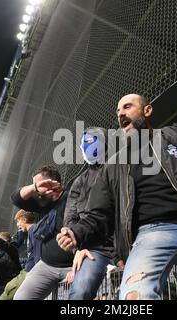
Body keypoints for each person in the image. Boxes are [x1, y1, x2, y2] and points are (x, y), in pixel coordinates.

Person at [57, 41, 177, 299]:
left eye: (127, 107)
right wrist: (76, 233)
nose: (120, 113)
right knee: (134, 298)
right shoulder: (114, 165)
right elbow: (99, 214)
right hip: (152, 235)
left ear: (147, 110)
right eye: (118, 110)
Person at [64, 127, 123, 300]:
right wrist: (79, 246)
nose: (87, 147)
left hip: (124, 242)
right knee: (80, 292)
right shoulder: (80, 181)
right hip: (94, 248)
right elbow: (70, 218)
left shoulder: (121, 168)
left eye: (92, 141)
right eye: (84, 144)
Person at [12, 166, 74, 300]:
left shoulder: (72, 198)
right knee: (21, 297)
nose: (36, 191)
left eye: (41, 185)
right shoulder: (43, 203)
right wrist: (35, 187)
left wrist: (77, 267)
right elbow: (16, 198)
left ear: (52, 183)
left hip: (75, 264)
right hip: (47, 265)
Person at [0, 210, 36, 300]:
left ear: (24, 219)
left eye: (18, 221)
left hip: (31, 270)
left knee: (7, 294)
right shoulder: (28, 233)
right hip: (29, 269)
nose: (17, 225)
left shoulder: (34, 231)